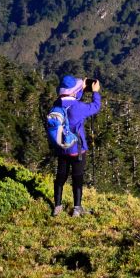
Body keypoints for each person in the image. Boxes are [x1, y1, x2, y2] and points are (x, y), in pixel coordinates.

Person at [51, 75, 102, 217]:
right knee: (77, 178)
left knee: (60, 177)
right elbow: (95, 107)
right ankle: (77, 208)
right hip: (77, 150)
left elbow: (71, 98)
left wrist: (82, 89)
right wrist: (95, 92)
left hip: (62, 149)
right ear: (73, 91)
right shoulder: (79, 108)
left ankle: (57, 207)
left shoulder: (57, 104)